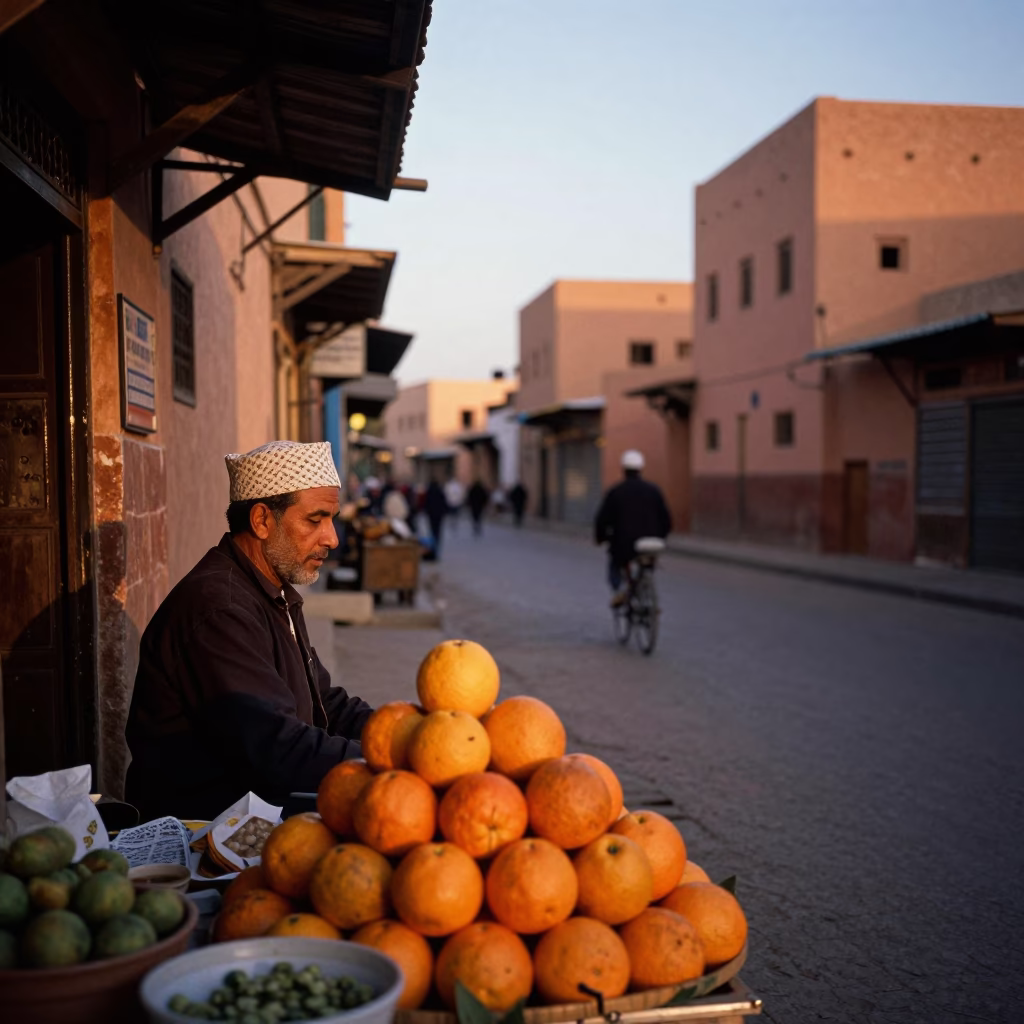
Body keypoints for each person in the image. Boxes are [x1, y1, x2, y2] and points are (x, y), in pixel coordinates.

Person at [124, 441, 374, 821]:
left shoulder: (274, 591)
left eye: (332, 519)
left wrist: (404, 733)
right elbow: (277, 749)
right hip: (206, 836)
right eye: (315, 519)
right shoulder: (218, 609)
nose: (332, 538)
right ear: (261, 521)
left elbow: (325, 703)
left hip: (260, 814)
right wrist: (387, 763)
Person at [593, 449, 671, 606]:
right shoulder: (654, 491)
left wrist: (600, 538)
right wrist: (660, 537)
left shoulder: (615, 492)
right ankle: (645, 591)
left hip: (623, 545)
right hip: (651, 543)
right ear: (641, 468)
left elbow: (602, 520)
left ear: (623, 469)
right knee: (647, 564)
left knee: (615, 564)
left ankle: (620, 589)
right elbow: (666, 519)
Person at [423, 478, 449, 558]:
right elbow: (444, 503)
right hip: (439, 515)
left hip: (431, 515)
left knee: (432, 532)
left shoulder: (429, 492)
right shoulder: (440, 491)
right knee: (437, 532)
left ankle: (433, 549)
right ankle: (435, 548)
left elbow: (426, 503)